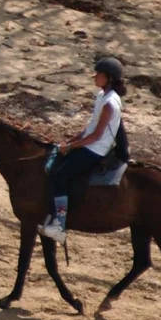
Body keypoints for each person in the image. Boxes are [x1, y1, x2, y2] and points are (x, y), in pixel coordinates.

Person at [39, 57, 126, 241]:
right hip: (90, 143)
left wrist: (71, 146)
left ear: (109, 78)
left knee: (60, 175)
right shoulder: (101, 96)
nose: (95, 77)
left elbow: (96, 136)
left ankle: (59, 226)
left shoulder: (110, 103)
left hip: (96, 149)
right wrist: (69, 141)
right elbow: (90, 128)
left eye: (99, 75)